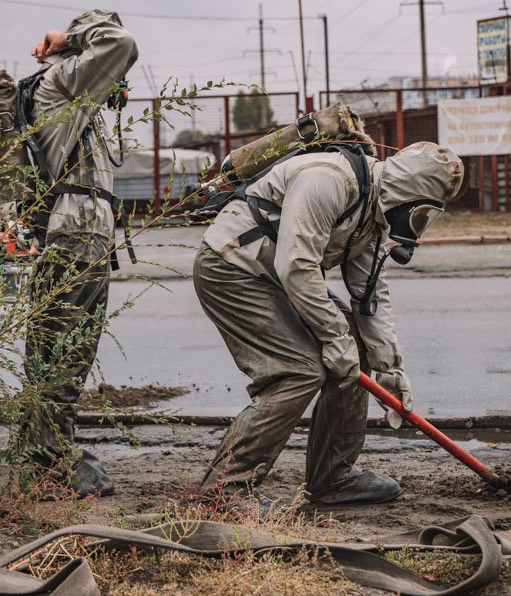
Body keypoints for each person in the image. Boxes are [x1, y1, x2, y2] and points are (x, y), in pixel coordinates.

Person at [195, 140, 464, 507]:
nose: (418, 225)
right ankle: (224, 490)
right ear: (408, 192)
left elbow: (370, 295)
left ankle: (332, 477)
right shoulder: (329, 180)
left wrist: (390, 366)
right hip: (233, 270)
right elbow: (297, 265)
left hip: (278, 276)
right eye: (420, 214)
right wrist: (334, 338)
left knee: (358, 349)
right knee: (298, 371)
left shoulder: (373, 211)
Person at [19, 9, 138, 498]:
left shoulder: (78, 95)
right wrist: (68, 37)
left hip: (81, 236)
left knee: (67, 351)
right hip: (73, 235)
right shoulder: (65, 80)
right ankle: (49, 462)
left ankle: (46, 453)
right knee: (61, 352)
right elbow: (122, 43)